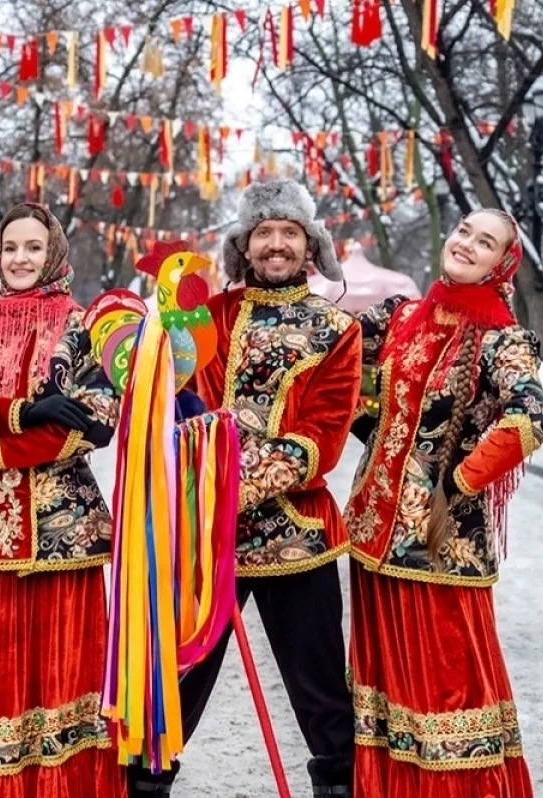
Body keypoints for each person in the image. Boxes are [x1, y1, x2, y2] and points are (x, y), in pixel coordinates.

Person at [126, 180, 362, 798]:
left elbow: (324, 435)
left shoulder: (338, 328)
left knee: (320, 692)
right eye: (264, 233)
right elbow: (179, 403)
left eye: (289, 232)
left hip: (297, 538)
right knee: (177, 677)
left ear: (310, 245)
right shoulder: (211, 317)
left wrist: (238, 482)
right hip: (205, 534)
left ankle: (336, 785)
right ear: (245, 245)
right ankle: (147, 785)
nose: (276, 244)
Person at [0, 203, 126, 798]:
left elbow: (96, 419)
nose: (19, 259)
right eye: (10, 247)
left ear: (55, 254)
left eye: (33, 248)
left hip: (63, 530)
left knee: (61, 671)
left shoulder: (87, 326)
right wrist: (24, 411)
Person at [345, 209, 543, 796]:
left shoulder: (502, 338)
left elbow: (529, 419)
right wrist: (379, 447)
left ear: (500, 263)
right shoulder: (402, 316)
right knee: (386, 700)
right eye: (463, 231)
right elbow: (341, 372)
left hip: (442, 549)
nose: (467, 245)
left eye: (486, 243)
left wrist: (455, 485)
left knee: (449, 697)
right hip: (373, 541)